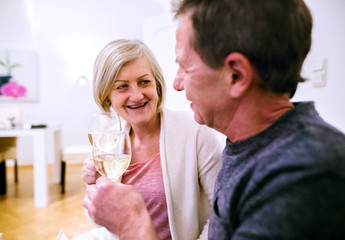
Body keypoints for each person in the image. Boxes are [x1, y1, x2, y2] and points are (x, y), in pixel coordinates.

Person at [83, 0, 345, 239]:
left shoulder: (304, 176)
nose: (175, 84)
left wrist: (134, 226)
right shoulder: (244, 150)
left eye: (185, 66)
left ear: (236, 75)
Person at [78, 39, 223, 240]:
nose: (136, 95)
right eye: (122, 87)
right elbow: (98, 221)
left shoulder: (195, 132)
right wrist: (94, 186)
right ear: (107, 96)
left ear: (157, 84)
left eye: (144, 82)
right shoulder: (109, 143)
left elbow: (223, 216)